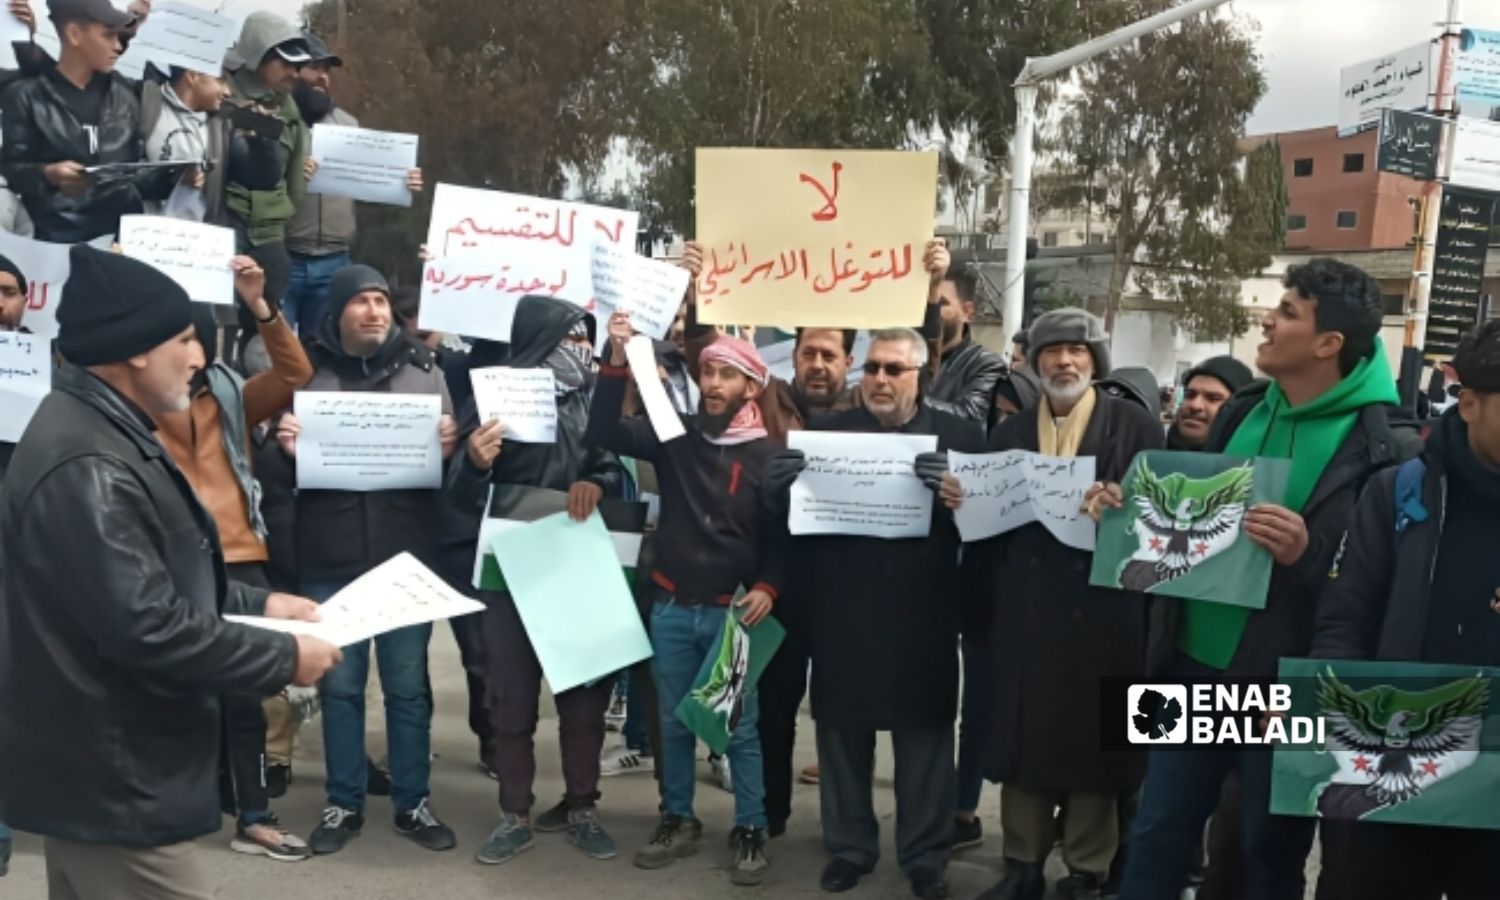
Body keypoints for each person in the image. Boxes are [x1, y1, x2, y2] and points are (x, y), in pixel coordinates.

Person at [0, 245, 340, 899]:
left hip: (100, 771)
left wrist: (259, 604)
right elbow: (145, 626)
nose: (198, 357)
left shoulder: (102, 431)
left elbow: (145, 575)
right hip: (115, 779)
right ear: (135, 349)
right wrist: (282, 658)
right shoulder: (89, 461)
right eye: (184, 339)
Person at [1114, 259, 1420, 899]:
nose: (1266, 320)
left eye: (1286, 313)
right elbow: (1195, 516)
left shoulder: (1387, 443)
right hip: (1189, 666)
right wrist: (1126, 512)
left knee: (1268, 850)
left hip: (1288, 688)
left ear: (1329, 343)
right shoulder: (1244, 409)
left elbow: (1383, 584)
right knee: (1154, 830)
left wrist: (1308, 554)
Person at [765, 328, 983, 900]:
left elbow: (989, 531)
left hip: (925, 616)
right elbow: (797, 526)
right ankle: (850, 848)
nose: (881, 380)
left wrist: (962, 500)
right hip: (845, 612)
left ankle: (926, 858)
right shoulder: (828, 436)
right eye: (874, 369)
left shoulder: (959, 436)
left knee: (925, 744)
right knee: (841, 737)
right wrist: (778, 490)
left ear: (921, 375)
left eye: (895, 370)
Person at [962, 308, 1164, 900]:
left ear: (1095, 362)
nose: (1065, 361)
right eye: (1053, 351)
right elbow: (990, 526)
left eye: (1078, 351)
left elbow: (1157, 524)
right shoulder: (1010, 433)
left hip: (1104, 616)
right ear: (1035, 360)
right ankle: (1022, 863)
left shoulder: (1136, 427)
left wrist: (1124, 504)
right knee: (1023, 741)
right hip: (1027, 613)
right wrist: (963, 498)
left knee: (1095, 749)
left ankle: (1085, 870)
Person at [1307, 320, 1500, 900]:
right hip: (1395, 771)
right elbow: (1344, 621)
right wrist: (1335, 728)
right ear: (1468, 403)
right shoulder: (1397, 493)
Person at [586, 315, 781, 887]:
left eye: (727, 374)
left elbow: (784, 540)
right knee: (670, 725)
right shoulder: (678, 436)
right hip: (671, 609)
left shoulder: (770, 456)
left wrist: (770, 586)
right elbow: (604, 428)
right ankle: (677, 817)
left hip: (732, 616)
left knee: (737, 729)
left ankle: (750, 827)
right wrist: (615, 357)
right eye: (707, 372)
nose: (714, 383)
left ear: (752, 387)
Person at [276, 264, 460, 855]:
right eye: (362, 301)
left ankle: (413, 803)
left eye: (382, 299)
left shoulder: (426, 375)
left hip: (404, 559)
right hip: (329, 556)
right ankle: (342, 803)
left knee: (408, 688)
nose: (376, 311)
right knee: (341, 688)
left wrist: (454, 453)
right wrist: (282, 449)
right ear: (336, 313)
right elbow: (276, 476)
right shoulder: (308, 376)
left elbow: (450, 480)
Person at [442, 295, 627, 865]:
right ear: (537, 340)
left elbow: (613, 466)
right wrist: (475, 462)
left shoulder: (594, 402)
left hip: (578, 561)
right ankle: (514, 813)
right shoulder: (496, 400)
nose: (578, 350)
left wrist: (598, 482)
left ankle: (582, 807)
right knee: (511, 700)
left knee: (583, 700)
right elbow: (458, 498)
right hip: (508, 569)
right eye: (568, 338)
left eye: (583, 339)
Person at [155, 257, 315, 861]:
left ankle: (253, 815)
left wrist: (260, 305)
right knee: (175, 691)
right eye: (178, 339)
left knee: (246, 694)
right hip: (168, 556)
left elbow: (296, 370)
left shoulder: (231, 394)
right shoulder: (133, 403)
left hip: (241, 557)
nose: (191, 352)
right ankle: (178, 809)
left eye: (195, 338)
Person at [1, 0, 173, 242]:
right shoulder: (25, 97)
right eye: (108, 35)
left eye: (119, 36)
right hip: (56, 243)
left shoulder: (125, 96)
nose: (117, 46)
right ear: (74, 34)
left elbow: (130, 174)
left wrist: (175, 177)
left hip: (121, 243)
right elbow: (11, 169)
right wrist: (48, 175)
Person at [285, 33, 422, 334]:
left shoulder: (348, 125)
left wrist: (402, 181)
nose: (323, 76)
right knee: (272, 352)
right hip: (285, 255)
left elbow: (368, 186)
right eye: (314, 67)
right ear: (293, 71)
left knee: (324, 349)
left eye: (327, 70)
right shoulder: (277, 120)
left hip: (335, 260)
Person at [222, 12, 311, 314]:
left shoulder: (291, 112)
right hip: (224, 224)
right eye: (285, 64)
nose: (294, 73)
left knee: (266, 324)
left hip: (270, 235)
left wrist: (279, 218)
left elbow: (296, 180)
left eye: (298, 66)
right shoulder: (220, 94)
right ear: (257, 55)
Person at [927, 265, 1007, 422]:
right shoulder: (897, 358)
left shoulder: (986, 365)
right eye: (926, 303)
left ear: (967, 312)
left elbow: (970, 417)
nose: (929, 311)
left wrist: (906, 400)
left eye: (939, 303)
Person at [1166, 356, 1254, 450]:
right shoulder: (1153, 457)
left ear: (1239, 408)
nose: (1195, 405)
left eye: (1213, 398)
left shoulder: (1252, 462)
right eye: (1190, 395)